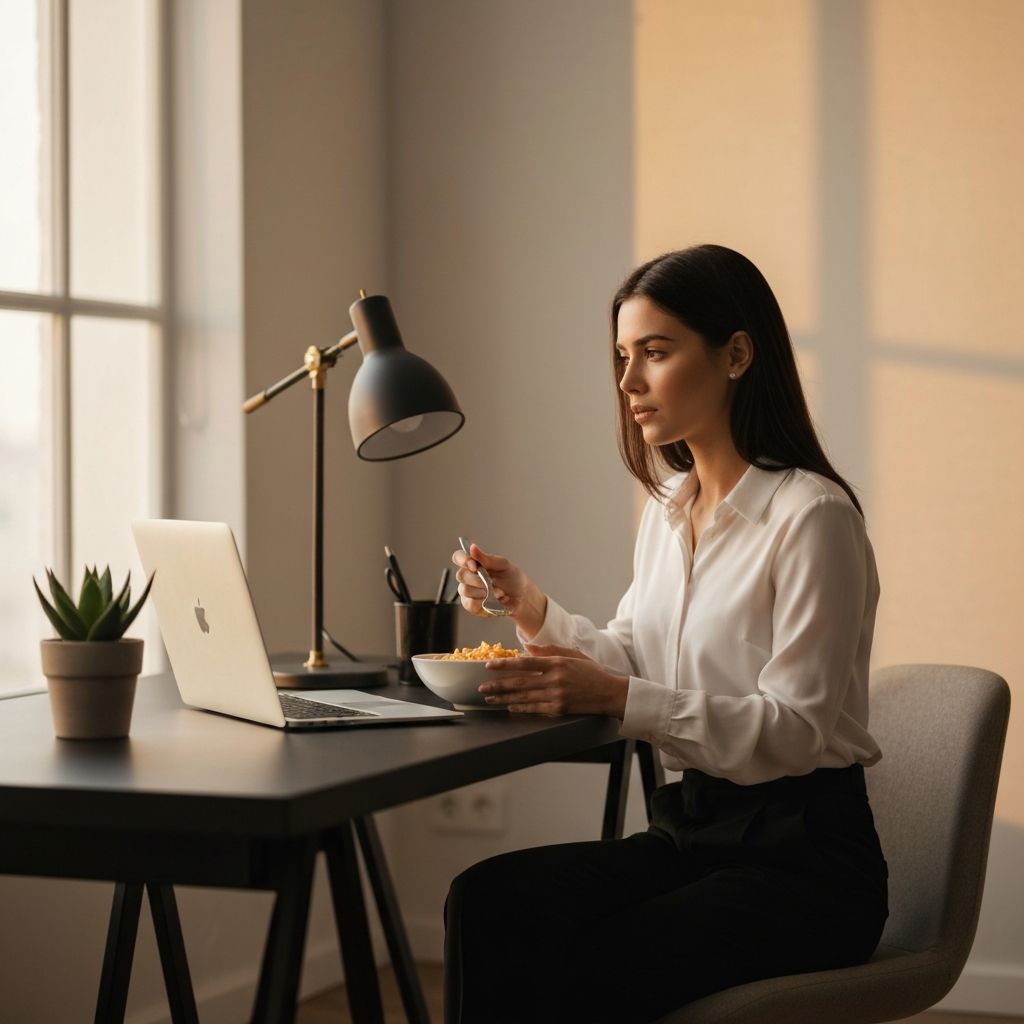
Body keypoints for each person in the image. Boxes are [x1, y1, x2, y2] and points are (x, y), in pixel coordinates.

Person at [444, 244, 888, 1024]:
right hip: (691, 831)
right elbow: (633, 655)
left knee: (596, 962)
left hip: (806, 863)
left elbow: (793, 732)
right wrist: (530, 607)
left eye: (654, 352)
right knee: (489, 900)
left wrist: (621, 697)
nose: (628, 382)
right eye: (623, 356)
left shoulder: (812, 517)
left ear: (736, 355)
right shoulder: (669, 510)